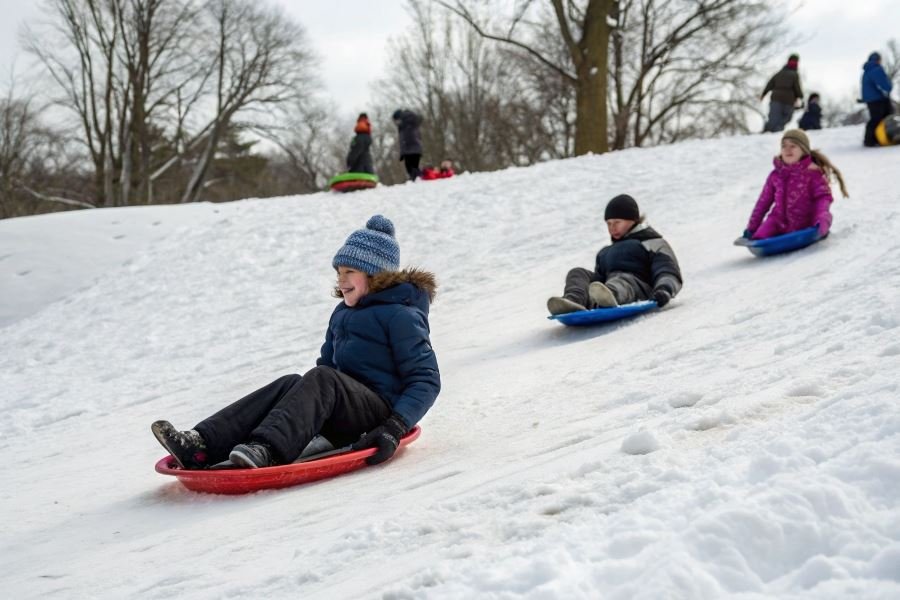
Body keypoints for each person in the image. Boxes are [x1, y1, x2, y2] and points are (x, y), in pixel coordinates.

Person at [151, 215, 440, 469]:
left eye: (349, 272)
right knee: (291, 382)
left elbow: (425, 380)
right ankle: (202, 444)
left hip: (378, 415)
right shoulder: (342, 314)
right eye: (338, 272)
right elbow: (326, 368)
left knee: (323, 378)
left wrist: (394, 426)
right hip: (342, 408)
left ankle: (268, 449)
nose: (341, 280)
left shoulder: (401, 316)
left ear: (376, 274)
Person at [546, 194, 683, 315]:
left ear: (633, 220)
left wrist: (665, 289)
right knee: (577, 272)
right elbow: (597, 283)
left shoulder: (652, 242)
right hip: (608, 287)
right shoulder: (605, 252)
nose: (612, 228)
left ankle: (609, 296)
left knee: (621, 280)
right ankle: (573, 301)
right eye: (609, 223)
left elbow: (668, 271)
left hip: (639, 287)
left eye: (617, 222)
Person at [744, 129, 849, 241]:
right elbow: (763, 202)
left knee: (819, 223)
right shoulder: (775, 175)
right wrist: (752, 228)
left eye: (793, 146)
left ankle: (819, 227)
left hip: (805, 221)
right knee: (758, 238)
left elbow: (822, 198)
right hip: (777, 221)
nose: (787, 149)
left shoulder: (813, 173)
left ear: (803, 150)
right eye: (784, 146)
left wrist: (821, 218)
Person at [761, 54, 804, 133]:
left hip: (778, 98)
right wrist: (801, 97)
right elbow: (797, 87)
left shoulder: (779, 73)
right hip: (787, 99)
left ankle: (770, 130)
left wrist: (764, 94)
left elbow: (769, 84)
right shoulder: (793, 74)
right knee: (784, 117)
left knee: (775, 118)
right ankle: (774, 130)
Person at [861, 52, 895, 147]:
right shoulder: (875, 69)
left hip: (871, 99)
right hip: (878, 99)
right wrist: (888, 88)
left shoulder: (867, 70)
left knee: (876, 118)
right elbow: (883, 84)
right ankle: (874, 139)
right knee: (883, 118)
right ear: (878, 60)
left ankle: (873, 139)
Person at [392, 109, 423, 180]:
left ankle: (418, 179)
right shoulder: (408, 122)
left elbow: (406, 138)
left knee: (411, 168)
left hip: (410, 150)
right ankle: (417, 179)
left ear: (399, 118)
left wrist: (404, 151)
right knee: (413, 167)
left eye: (396, 120)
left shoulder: (406, 123)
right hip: (414, 149)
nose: (396, 123)